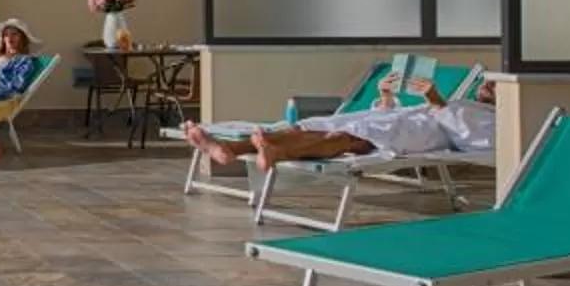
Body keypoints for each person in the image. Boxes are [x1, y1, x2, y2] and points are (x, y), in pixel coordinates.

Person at [183, 74, 495, 173]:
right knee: (312, 124)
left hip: (418, 135)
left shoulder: (494, 118)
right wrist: (385, 97)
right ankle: (230, 149)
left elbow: (470, 141)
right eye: (486, 82)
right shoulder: (466, 101)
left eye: (493, 86)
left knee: (344, 137)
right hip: (395, 120)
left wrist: (438, 103)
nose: (486, 86)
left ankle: (269, 151)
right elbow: (411, 110)